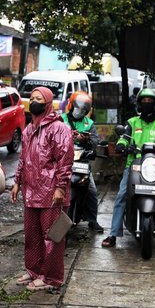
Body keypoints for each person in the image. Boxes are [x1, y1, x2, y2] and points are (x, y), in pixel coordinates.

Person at [101, 88, 155, 250]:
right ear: (139, 104)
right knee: (121, 196)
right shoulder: (132, 123)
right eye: (144, 102)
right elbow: (124, 137)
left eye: (150, 102)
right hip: (135, 165)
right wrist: (122, 145)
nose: (147, 104)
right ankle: (113, 234)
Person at [11, 86, 73, 292]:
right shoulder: (29, 129)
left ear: (48, 104)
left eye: (39, 98)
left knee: (52, 236)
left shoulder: (59, 128)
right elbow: (23, 159)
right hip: (31, 190)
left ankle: (52, 277)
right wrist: (17, 182)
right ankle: (34, 270)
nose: (34, 101)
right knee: (32, 234)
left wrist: (60, 188)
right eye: (32, 97)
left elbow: (64, 160)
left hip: (50, 192)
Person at [61, 91, 103, 233]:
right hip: (63, 161)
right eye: (78, 108)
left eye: (83, 110)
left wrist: (88, 141)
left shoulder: (89, 123)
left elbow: (95, 141)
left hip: (82, 161)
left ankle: (92, 220)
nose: (80, 112)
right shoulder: (61, 120)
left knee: (91, 190)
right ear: (71, 106)